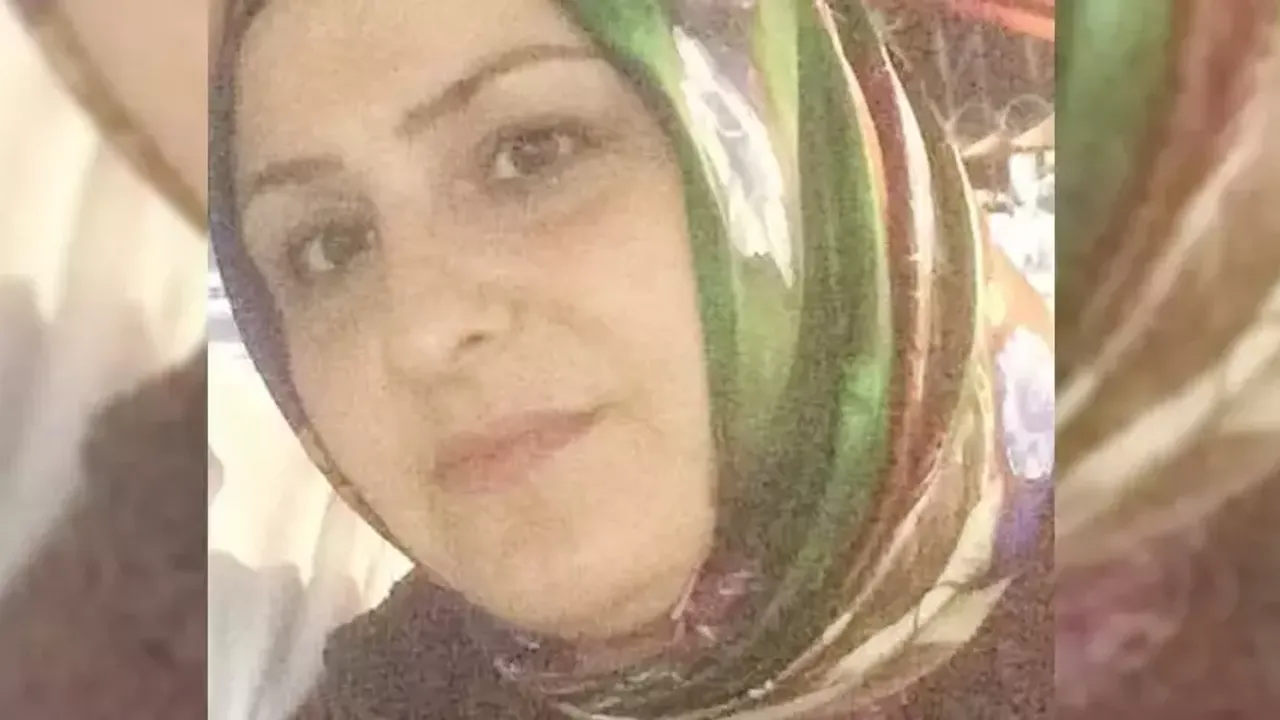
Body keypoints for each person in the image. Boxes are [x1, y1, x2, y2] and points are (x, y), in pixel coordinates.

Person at [211, 0, 1053, 716]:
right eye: (328, 246)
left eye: (532, 151)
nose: (423, 332)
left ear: (811, 163)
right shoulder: (396, 694)